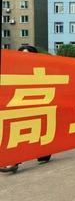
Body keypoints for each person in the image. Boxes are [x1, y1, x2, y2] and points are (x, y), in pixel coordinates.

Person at [0, 45, 52, 174]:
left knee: (39, 131)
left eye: (28, 54)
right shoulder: (13, 69)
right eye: (22, 54)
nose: (25, 57)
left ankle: (43, 151)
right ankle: (14, 160)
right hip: (19, 105)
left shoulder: (42, 69)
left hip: (39, 105)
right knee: (16, 131)